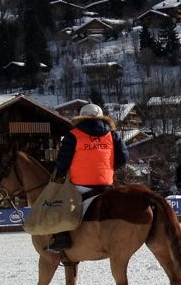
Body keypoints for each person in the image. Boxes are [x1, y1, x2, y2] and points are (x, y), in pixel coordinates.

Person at [46, 102, 129, 252]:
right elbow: (123, 158)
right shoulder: (112, 134)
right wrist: (108, 169)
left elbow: (63, 162)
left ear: (81, 117)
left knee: (59, 202)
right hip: (106, 183)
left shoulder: (73, 135)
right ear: (102, 117)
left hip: (81, 184)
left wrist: (58, 176)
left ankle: (62, 237)